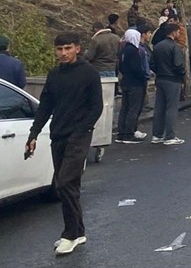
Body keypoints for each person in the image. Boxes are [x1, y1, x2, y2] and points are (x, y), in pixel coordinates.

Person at [26, 33, 102, 256]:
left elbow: (96, 106)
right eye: (59, 49)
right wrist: (34, 133)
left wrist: (82, 129)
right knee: (68, 185)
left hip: (78, 135)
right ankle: (78, 231)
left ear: (78, 48)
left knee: (64, 183)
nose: (63, 53)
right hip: (57, 134)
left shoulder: (89, 73)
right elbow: (46, 105)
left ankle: (69, 234)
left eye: (68, 48)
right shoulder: (54, 75)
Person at [150, 22, 187, 145]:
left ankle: (157, 134)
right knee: (171, 108)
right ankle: (170, 136)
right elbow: (178, 65)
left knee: (159, 107)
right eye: (178, 32)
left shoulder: (158, 46)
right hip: (172, 80)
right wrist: (182, 75)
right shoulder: (175, 47)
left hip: (160, 78)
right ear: (173, 32)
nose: (179, 34)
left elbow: (152, 64)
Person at [116, 24, 152, 144]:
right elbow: (137, 68)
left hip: (125, 80)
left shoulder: (123, 50)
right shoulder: (134, 50)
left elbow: (120, 66)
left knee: (125, 108)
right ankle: (129, 133)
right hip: (135, 83)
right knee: (134, 108)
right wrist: (143, 77)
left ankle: (121, 132)